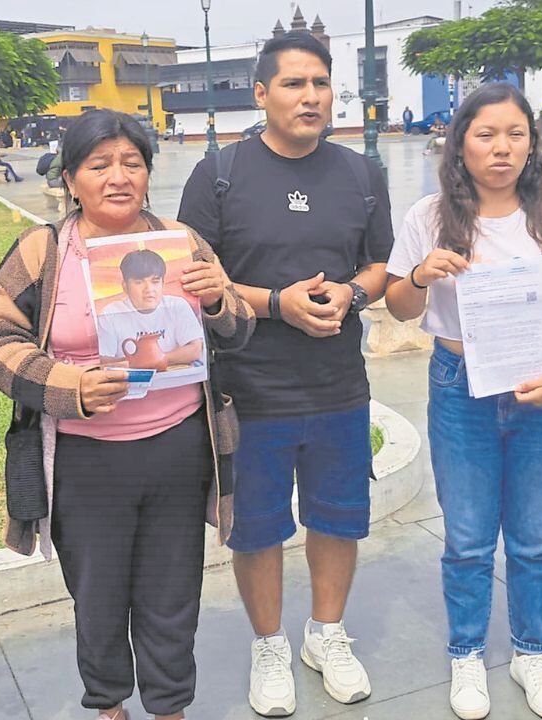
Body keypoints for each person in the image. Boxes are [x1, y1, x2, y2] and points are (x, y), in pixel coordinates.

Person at [0, 109, 255, 720]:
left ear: (149, 174)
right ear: (71, 178)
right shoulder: (43, 250)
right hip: (86, 459)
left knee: (172, 591)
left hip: (177, 449)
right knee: (98, 596)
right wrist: (67, 384)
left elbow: (237, 331)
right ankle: (108, 704)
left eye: (132, 163)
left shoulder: (182, 244)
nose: (117, 177)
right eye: (99, 165)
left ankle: (169, 706)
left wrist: (217, 301)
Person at [178, 31, 394, 718]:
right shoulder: (219, 175)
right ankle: (268, 643)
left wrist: (352, 295)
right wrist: (279, 305)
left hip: (338, 387)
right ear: (261, 93)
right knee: (258, 528)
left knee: (339, 520)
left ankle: (325, 635)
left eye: (320, 84)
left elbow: (381, 265)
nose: (310, 97)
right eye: (294, 84)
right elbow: (195, 282)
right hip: (251, 389)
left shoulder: (362, 174)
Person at [386, 81, 542, 720]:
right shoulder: (429, 216)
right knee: (467, 538)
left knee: (536, 538)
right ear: (460, 144)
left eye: (516, 133)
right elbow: (399, 304)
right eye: (486, 134)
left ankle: (530, 650)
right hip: (462, 392)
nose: (502, 148)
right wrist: (422, 276)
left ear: (531, 143)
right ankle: (466, 654)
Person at [97, 249, 206, 369]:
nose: (149, 289)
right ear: (125, 287)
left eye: (155, 281)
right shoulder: (110, 313)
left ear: (163, 284)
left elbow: (195, 349)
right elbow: (105, 360)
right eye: (139, 282)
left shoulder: (177, 305)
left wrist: (157, 359)